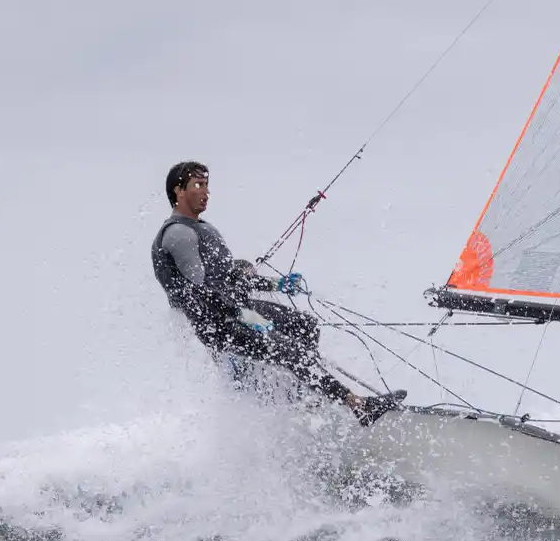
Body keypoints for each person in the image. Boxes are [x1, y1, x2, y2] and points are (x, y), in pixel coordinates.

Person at [151, 161, 405, 426]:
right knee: (291, 350)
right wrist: (248, 317)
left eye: (207, 185)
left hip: (238, 310)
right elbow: (202, 295)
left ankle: (308, 397)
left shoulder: (205, 229)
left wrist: (275, 284)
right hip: (218, 325)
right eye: (198, 186)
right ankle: (358, 406)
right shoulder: (178, 234)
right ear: (179, 191)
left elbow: (229, 278)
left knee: (305, 325)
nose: (206, 192)